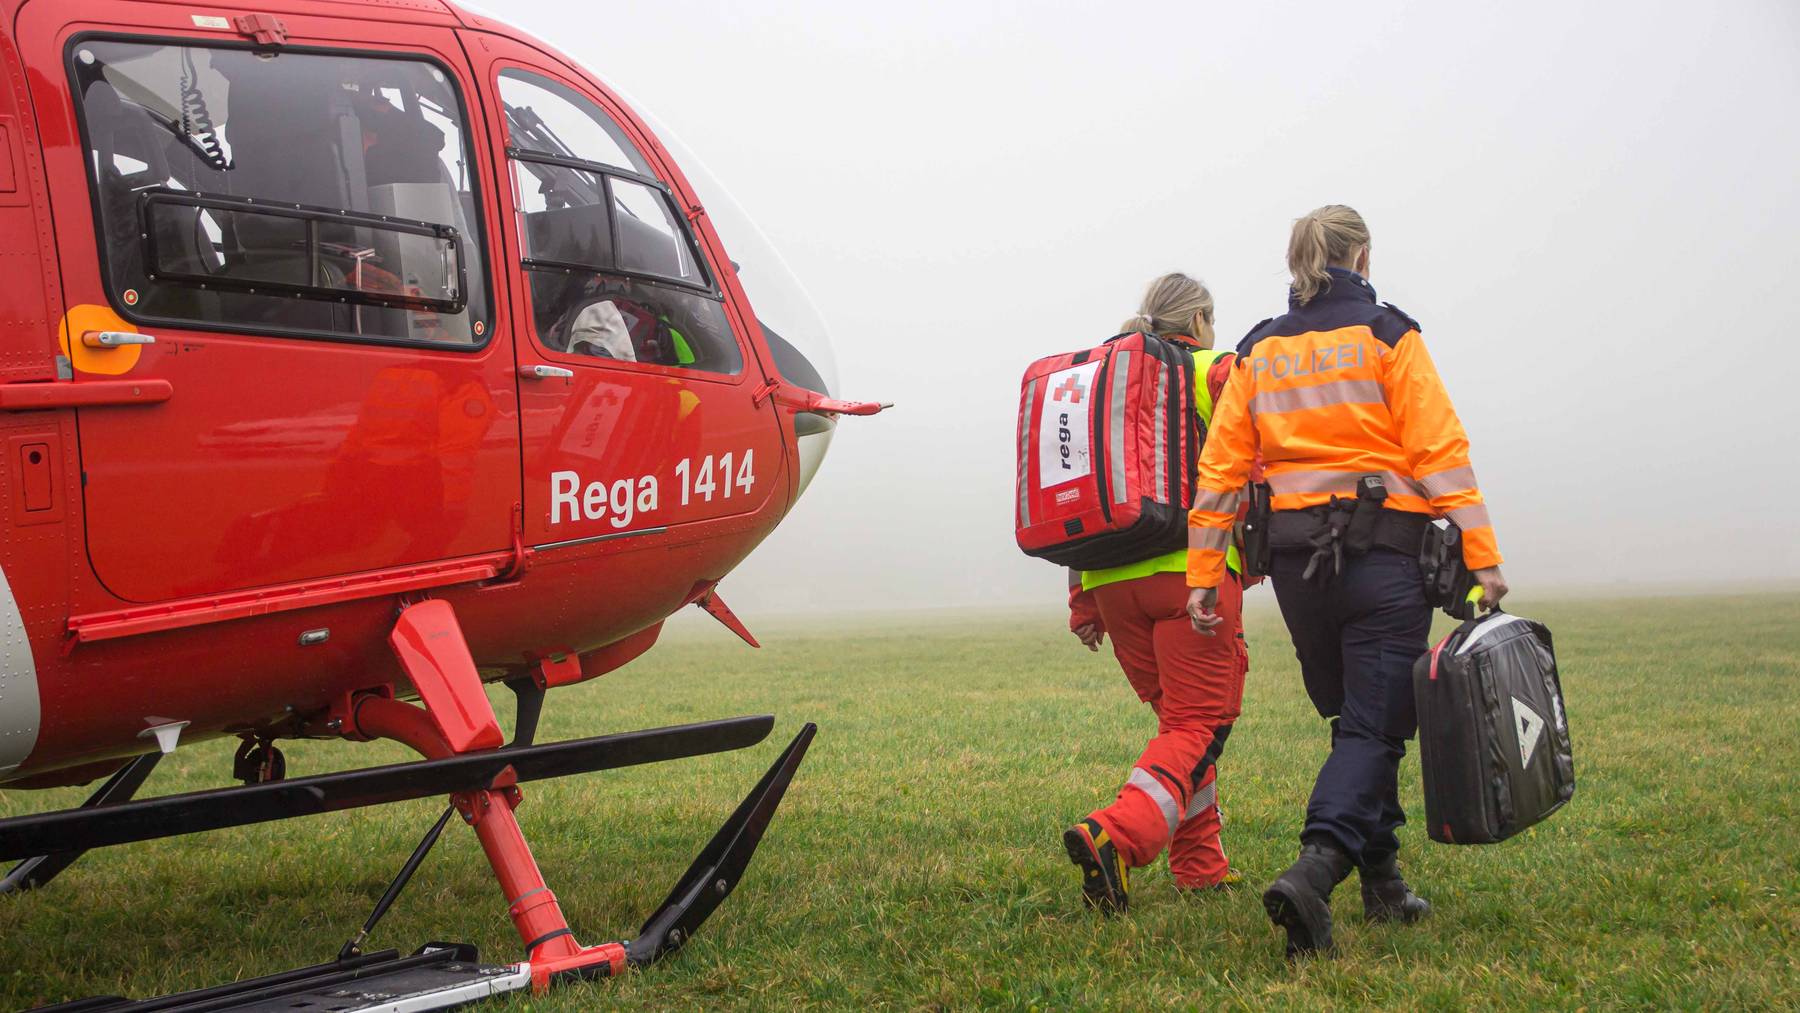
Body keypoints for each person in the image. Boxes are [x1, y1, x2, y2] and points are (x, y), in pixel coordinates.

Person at [1184, 205, 1508, 956]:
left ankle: (1384, 880)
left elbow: (1221, 469)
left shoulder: (1259, 348)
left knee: (1356, 720)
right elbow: (1441, 452)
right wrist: (1482, 555)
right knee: (1374, 726)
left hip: (1299, 573)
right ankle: (1315, 868)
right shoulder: (1390, 333)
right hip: (1384, 564)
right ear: (1361, 254)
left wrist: (1205, 573)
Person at [1062, 273, 1251, 912]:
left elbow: (1087, 488)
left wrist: (1083, 598)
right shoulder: (1207, 370)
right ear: (1196, 320)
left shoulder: (1108, 386)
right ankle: (1111, 834)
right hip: (1188, 577)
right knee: (1201, 724)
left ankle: (1200, 866)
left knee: (1181, 729)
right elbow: (1265, 427)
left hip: (1111, 583)